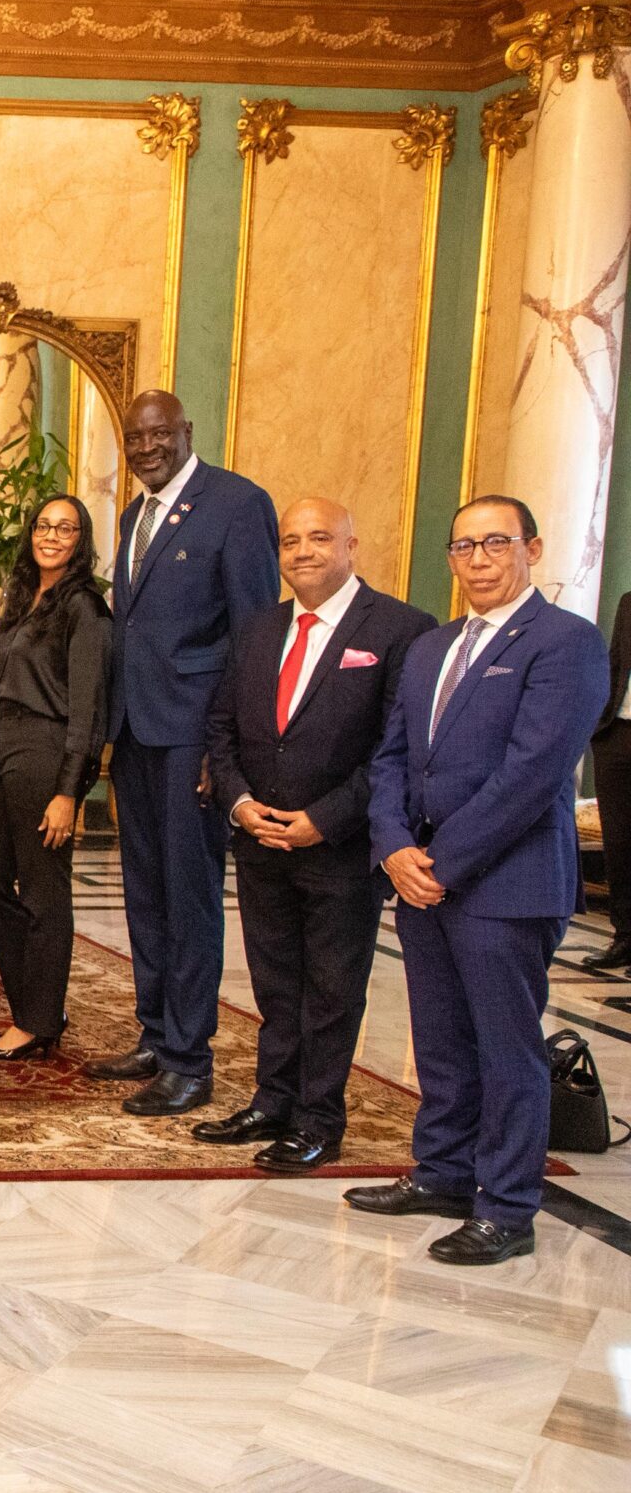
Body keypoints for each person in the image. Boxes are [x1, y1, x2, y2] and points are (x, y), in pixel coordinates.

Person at [349, 495, 609, 1265]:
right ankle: (443, 1172)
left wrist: (441, 863)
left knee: (505, 1050)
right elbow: (390, 755)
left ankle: (506, 1205)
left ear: (531, 546)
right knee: (441, 1043)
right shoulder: (432, 647)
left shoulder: (566, 644)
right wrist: (395, 846)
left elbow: (532, 775)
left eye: (496, 542)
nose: (479, 559)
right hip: (423, 878)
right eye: (463, 546)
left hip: (506, 883)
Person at [200, 497, 433, 1170]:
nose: (303, 551)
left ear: (352, 544)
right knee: (274, 983)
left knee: (331, 988)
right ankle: (272, 1100)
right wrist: (240, 802)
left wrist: (322, 819)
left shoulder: (399, 629)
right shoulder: (256, 627)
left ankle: (318, 1118)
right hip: (260, 838)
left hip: (339, 846)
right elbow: (222, 726)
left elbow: (397, 748)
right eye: (291, 540)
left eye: (319, 537)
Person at [94, 389, 280, 1113]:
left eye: (158, 434)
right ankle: (155, 1031)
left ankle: (189, 1058)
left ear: (186, 431)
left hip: (193, 735)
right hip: (137, 731)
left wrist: (223, 745)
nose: (146, 448)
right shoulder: (136, 513)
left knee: (190, 895)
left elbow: (254, 632)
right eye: (135, 438)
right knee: (144, 890)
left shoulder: (236, 503)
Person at [0, 498, 112, 1058]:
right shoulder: (28, 599)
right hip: (5, 745)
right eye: (44, 525)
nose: (52, 535)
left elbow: (88, 709)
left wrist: (68, 792)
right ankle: (39, 1003)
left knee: (44, 889)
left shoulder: (84, 606)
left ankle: (37, 1020)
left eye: (66, 528)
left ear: (81, 539)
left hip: (48, 751)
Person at [586, 584, 631, 970]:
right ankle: (625, 937)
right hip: (618, 735)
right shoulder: (629, 601)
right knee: (619, 844)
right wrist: (601, 730)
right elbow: (615, 663)